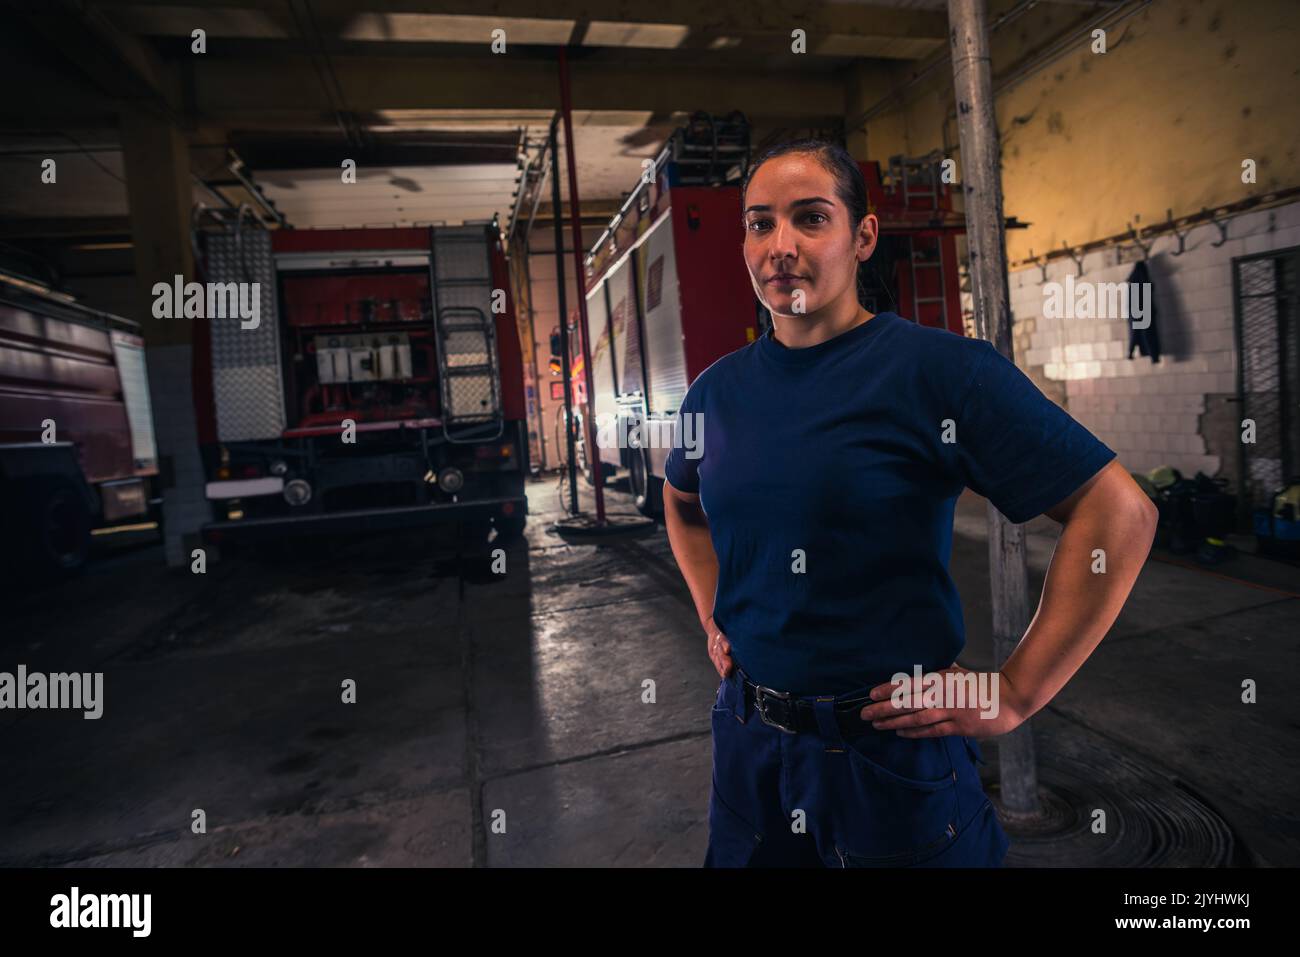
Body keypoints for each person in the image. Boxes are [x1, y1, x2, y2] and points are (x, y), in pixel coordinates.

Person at [662, 139, 1158, 868]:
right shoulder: (714, 392)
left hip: (889, 756)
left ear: (862, 237)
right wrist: (715, 613)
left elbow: (1120, 513)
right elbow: (683, 506)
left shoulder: (940, 373)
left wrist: (1015, 692)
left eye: (810, 218)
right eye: (760, 223)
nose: (780, 246)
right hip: (749, 747)